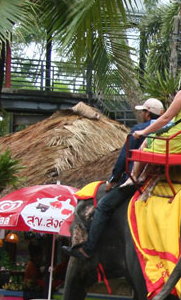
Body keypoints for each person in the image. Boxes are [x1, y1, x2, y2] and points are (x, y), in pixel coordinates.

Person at [68, 97, 165, 260]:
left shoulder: (139, 130)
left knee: (103, 206)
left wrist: (112, 180)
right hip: (161, 177)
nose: (142, 114)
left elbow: (123, 160)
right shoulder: (166, 129)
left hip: (138, 181)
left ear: (147, 113)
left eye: (143, 112)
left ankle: (88, 249)